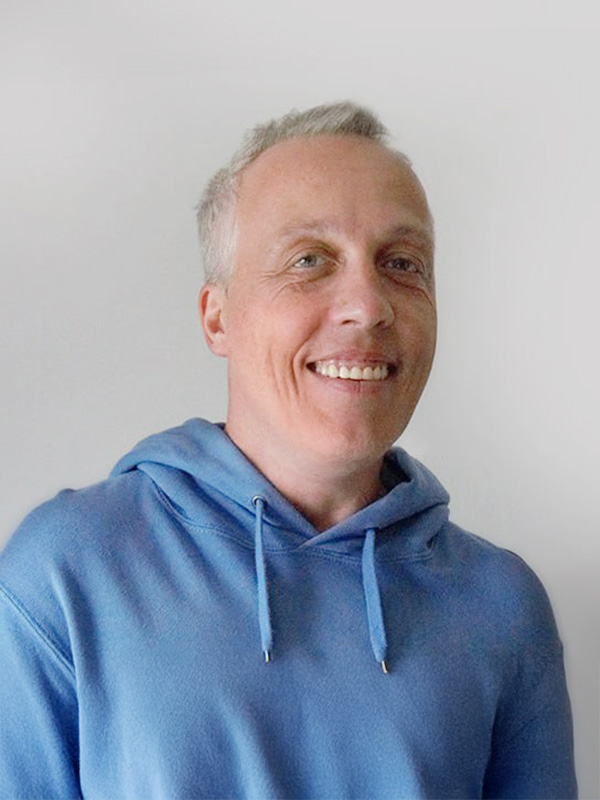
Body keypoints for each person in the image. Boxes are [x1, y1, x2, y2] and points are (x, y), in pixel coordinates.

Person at [0, 102, 577, 799]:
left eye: (401, 263)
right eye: (309, 260)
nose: (369, 306)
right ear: (218, 317)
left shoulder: (503, 607)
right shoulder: (64, 575)